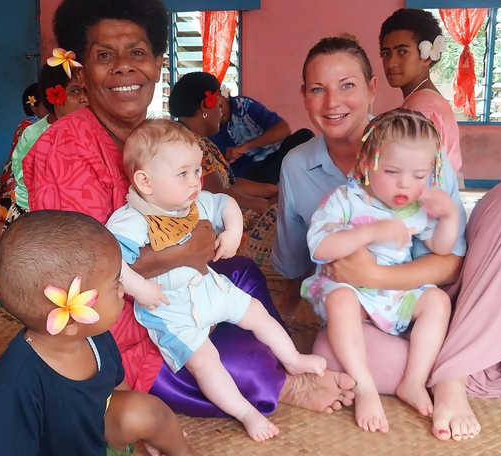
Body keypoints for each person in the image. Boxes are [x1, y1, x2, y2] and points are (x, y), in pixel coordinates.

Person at [24, 0, 355, 421]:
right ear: (82, 69)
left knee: (244, 274)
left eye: (138, 53)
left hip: (183, 285)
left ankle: (277, 360)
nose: (124, 68)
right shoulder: (64, 150)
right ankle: (282, 382)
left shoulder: (155, 135)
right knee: (234, 363)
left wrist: (207, 238)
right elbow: (81, 273)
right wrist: (183, 253)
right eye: (104, 55)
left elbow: (210, 198)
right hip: (123, 315)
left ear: (160, 63)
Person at [274, 35, 501, 442]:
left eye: (347, 85)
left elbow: (452, 259)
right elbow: (296, 256)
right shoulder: (299, 167)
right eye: (318, 89)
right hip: (368, 313)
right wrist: (282, 324)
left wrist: (378, 272)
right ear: (304, 95)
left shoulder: (416, 145)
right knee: (329, 354)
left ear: (372, 88)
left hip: (437, 294)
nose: (333, 101)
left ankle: (453, 375)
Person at [0, 209, 228, 456]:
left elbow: (120, 391)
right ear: (71, 317)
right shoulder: (15, 384)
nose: (123, 290)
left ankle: (182, 454)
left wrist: (144, 429)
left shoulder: (93, 336)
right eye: (115, 284)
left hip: (97, 446)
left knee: (146, 408)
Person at [107, 120, 326, 441]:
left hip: (209, 287)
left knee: (256, 313)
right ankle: (245, 412)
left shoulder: (195, 202)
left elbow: (228, 204)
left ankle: (292, 359)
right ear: (145, 181)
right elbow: (112, 259)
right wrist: (140, 288)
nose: (196, 181)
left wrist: (234, 231)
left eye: (197, 170)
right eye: (183, 173)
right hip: (172, 312)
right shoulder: (133, 219)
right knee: (205, 362)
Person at [303, 109, 458, 432]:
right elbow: (319, 248)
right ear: (365, 164)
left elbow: (442, 249)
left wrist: (449, 218)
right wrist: (370, 233)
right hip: (346, 290)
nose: (406, 184)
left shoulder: (415, 209)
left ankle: (413, 381)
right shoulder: (344, 199)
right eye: (392, 171)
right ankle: (364, 385)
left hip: (391, 293)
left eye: (419, 176)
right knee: (342, 300)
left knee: (438, 302)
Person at [169, 71, 279, 216]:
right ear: (205, 106)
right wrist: (263, 205)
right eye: (218, 105)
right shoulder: (189, 145)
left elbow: (228, 183)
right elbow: (218, 193)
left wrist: (271, 190)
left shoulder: (199, 140)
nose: (220, 113)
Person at [5, 57, 88, 229]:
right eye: (74, 91)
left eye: (87, 91)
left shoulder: (92, 130)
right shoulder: (34, 134)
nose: (84, 98)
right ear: (54, 96)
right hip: (35, 213)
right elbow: (24, 177)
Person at [379, 8, 462, 173]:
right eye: (386, 53)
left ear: (427, 57)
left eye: (403, 52)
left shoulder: (422, 107)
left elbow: (417, 176)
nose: (391, 63)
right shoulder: (424, 100)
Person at [210, 87, 313, 185]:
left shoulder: (244, 105)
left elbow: (283, 129)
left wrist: (245, 147)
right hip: (255, 169)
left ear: (226, 97)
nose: (220, 112)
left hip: (278, 152)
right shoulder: (210, 129)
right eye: (213, 110)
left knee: (304, 136)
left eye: (220, 105)